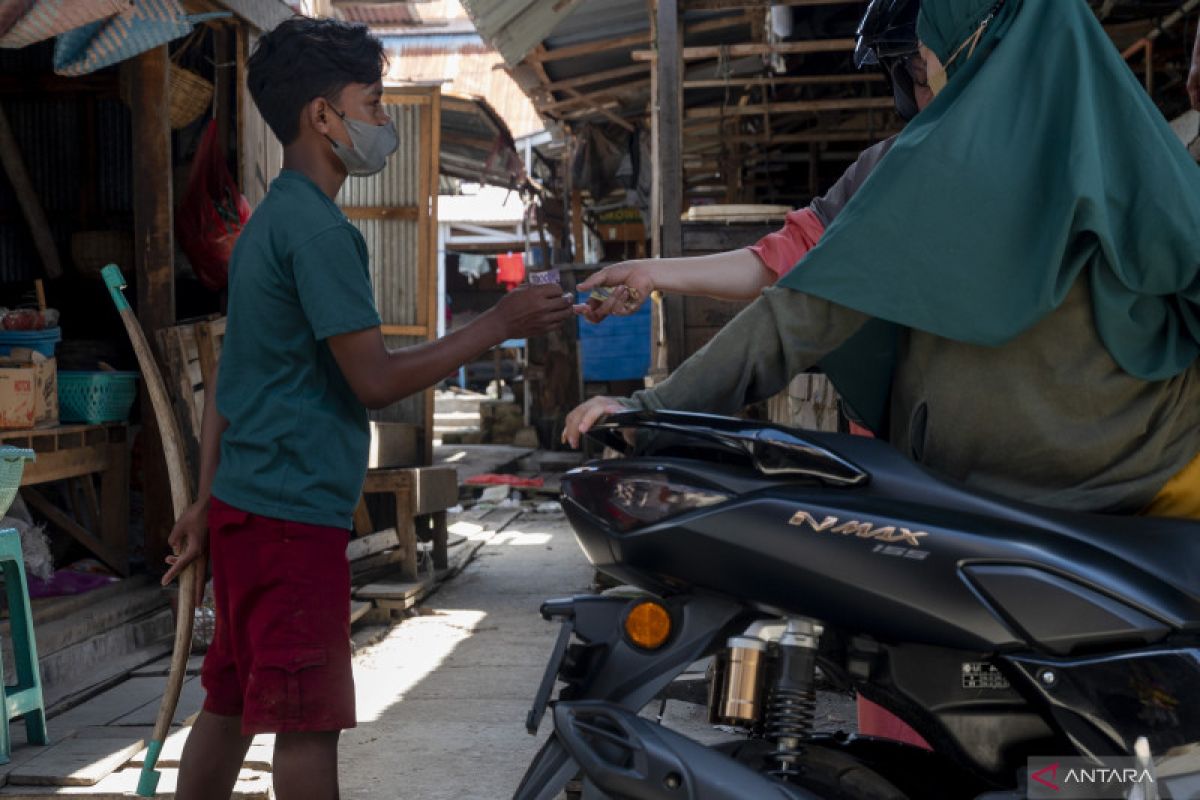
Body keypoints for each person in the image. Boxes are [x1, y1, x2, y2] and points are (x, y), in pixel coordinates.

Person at [565, 0, 1200, 522]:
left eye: (922, 70)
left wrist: (655, 411)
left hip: (1070, 497)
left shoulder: (960, 166)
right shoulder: (1138, 149)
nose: (914, 95)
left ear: (978, 51)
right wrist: (653, 277)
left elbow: (806, 309)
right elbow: (791, 264)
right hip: (1122, 477)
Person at [161, 18, 573, 800]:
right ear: (324, 115)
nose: (383, 122)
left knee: (228, 705)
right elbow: (374, 380)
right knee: (306, 726)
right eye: (374, 104)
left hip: (250, 510)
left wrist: (209, 499)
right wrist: (497, 324)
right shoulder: (318, 231)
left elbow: (229, 383)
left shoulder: (265, 224)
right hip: (291, 520)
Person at [580, 0, 928, 326]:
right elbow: (783, 254)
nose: (927, 90)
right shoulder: (885, 168)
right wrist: (651, 272)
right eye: (918, 74)